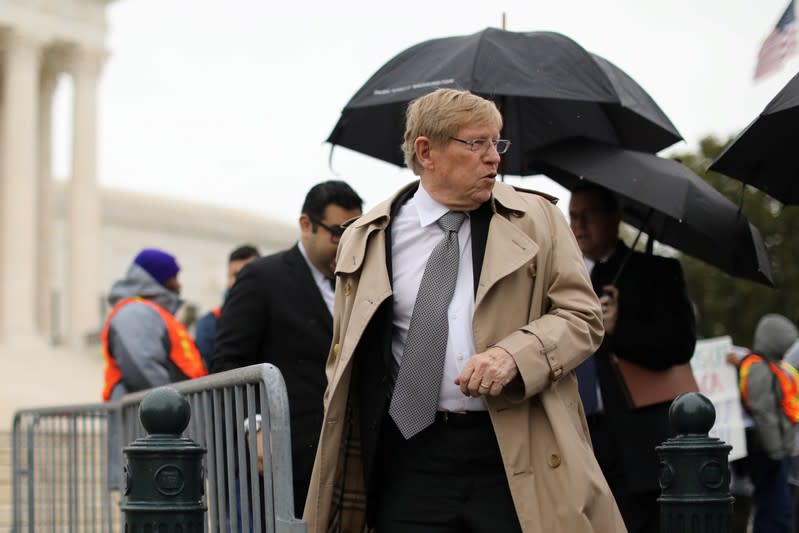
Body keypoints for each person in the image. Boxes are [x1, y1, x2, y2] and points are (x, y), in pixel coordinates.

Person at [303, 88, 623, 532]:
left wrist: (516, 355)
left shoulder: (540, 219)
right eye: (476, 144)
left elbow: (582, 318)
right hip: (411, 456)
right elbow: (345, 357)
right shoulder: (368, 235)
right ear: (426, 152)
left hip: (516, 450)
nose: (493, 158)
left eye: (497, 143)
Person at [210, 180, 363, 517]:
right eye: (337, 233)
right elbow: (228, 363)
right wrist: (257, 427)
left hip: (351, 454)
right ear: (306, 225)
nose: (345, 244)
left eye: (355, 232)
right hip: (286, 455)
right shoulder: (262, 278)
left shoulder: (361, 280)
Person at [569, 182, 696, 533]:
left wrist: (617, 331)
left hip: (635, 443)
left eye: (588, 215)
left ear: (614, 217)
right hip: (575, 437)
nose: (578, 225)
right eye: (572, 216)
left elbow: (680, 345)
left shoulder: (655, 271)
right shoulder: (560, 276)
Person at [101, 247, 207, 401]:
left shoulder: (151, 312)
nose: (179, 284)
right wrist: (173, 407)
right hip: (160, 417)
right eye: (174, 277)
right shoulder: (135, 313)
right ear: (157, 278)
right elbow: (145, 371)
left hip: (173, 414)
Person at [727, 314, 799, 533]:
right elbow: (764, 413)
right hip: (769, 453)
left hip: (773, 452)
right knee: (775, 512)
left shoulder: (764, 365)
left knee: (778, 509)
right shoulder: (758, 367)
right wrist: (777, 451)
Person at [194, 244, 261, 366]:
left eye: (247, 273)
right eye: (235, 275)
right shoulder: (209, 323)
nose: (241, 279)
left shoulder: (277, 315)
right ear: (227, 277)